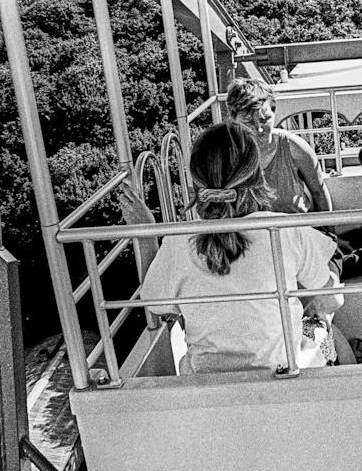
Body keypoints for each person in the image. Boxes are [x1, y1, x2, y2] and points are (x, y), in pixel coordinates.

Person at [136, 121, 345, 374]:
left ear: (196, 179)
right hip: (282, 374)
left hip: (210, 385)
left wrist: (145, 235)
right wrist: (328, 278)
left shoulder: (177, 241)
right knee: (320, 327)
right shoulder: (285, 230)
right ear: (257, 172)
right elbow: (332, 301)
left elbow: (155, 304)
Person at [226, 77, 332, 215]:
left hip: (296, 232)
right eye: (248, 121)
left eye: (265, 119)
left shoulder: (295, 148)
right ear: (233, 119)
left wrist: (328, 232)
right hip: (247, 235)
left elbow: (319, 192)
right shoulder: (222, 156)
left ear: (275, 113)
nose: (258, 129)